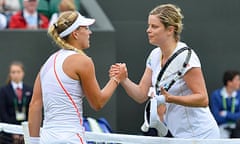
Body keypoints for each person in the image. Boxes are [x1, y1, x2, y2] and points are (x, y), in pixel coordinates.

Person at [110, 4, 220, 138]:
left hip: (202, 134)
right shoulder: (154, 55)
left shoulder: (186, 57)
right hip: (178, 135)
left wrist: (171, 98)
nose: (148, 30)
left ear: (170, 30)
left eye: (154, 26)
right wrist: (124, 79)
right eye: (149, 25)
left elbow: (202, 99)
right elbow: (140, 95)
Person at [28, 11, 124, 144]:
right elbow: (98, 103)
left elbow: (35, 105)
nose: (90, 32)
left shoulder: (47, 63)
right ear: (75, 33)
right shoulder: (83, 61)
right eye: (86, 28)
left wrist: (33, 142)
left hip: (46, 139)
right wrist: (117, 79)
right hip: (71, 138)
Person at [0, 61, 32, 144]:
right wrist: (13, 132)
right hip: (8, 135)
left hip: (25, 132)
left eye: (18, 72)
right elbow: (3, 113)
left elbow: (31, 111)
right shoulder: (3, 91)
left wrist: (25, 132)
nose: (16, 74)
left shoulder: (29, 90)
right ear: (10, 74)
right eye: (13, 72)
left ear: (23, 73)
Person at [210, 70, 240, 138]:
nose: (239, 82)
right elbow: (216, 117)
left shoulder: (239, 95)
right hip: (221, 128)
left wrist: (226, 114)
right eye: (237, 80)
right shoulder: (216, 95)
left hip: (238, 128)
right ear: (229, 82)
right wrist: (234, 117)